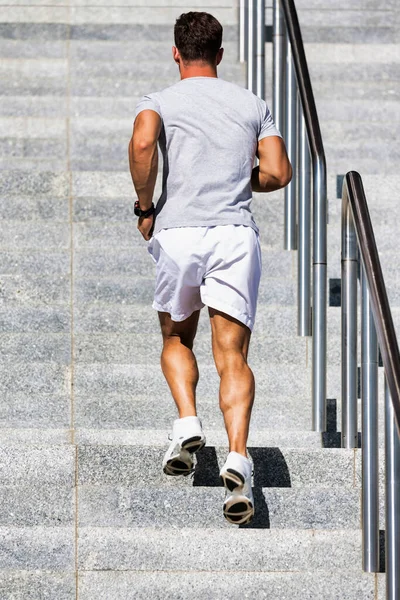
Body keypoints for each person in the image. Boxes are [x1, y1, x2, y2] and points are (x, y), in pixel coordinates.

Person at [128, 11, 292, 525]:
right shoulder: (253, 104)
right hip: (234, 236)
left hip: (178, 233)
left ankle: (186, 422)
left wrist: (145, 205)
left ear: (176, 53)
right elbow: (278, 172)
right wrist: (244, 183)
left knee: (177, 337)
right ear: (220, 54)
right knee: (233, 354)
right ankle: (238, 455)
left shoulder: (158, 101)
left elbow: (141, 142)